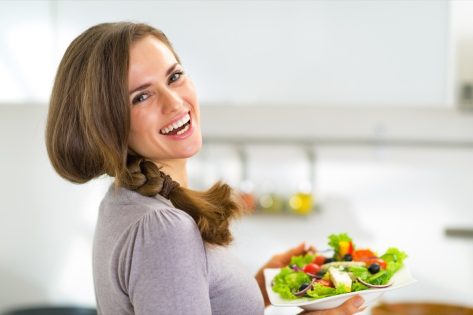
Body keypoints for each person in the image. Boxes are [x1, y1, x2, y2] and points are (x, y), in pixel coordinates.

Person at [45, 22, 365, 315]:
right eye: (141, 96)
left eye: (174, 76)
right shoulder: (162, 229)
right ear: (107, 123)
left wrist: (255, 291)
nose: (174, 103)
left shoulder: (124, 202)